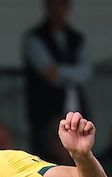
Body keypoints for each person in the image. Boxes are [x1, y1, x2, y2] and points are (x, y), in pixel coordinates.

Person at [23, 0, 92, 163]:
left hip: (75, 106)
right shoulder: (34, 37)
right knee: (44, 158)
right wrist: (73, 72)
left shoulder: (77, 38)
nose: (57, 10)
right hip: (45, 108)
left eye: (61, 5)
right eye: (54, 5)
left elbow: (86, 72)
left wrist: (60, 71)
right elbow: (48, 72)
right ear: (47, 7)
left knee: (79, 155)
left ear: (68, 8)